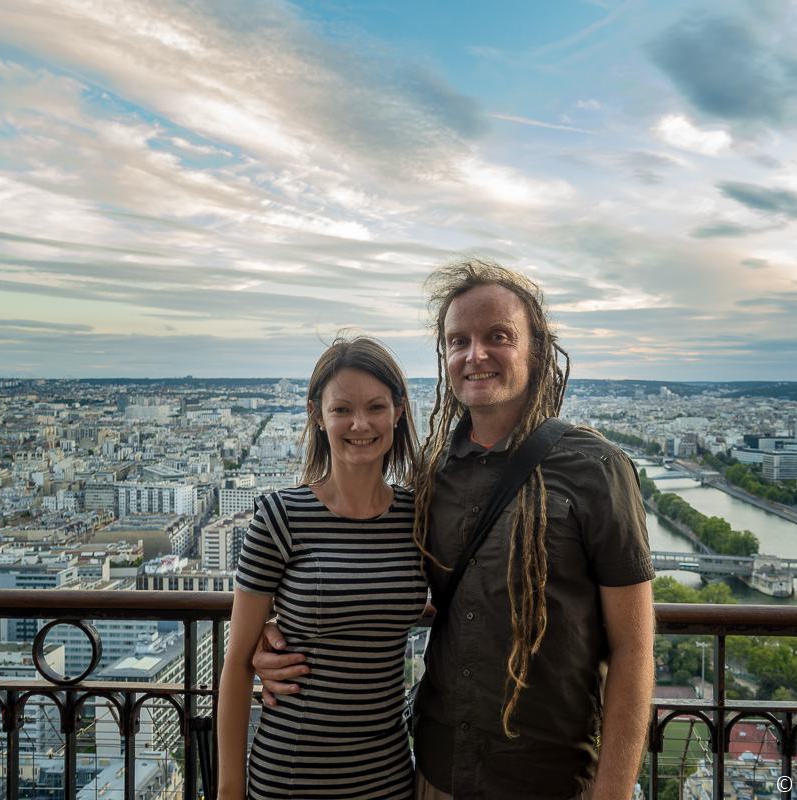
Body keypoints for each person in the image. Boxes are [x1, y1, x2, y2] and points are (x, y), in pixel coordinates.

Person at [256, 260, 655, 800]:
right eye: (458, 340)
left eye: (499, 337)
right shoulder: (432, 476)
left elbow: (633, 648)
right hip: (437, 767)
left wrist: (614, 793)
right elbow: (375, 570)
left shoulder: (596, 469)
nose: (476, 354)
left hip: (548, 775)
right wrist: (271, 629)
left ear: (535, 349)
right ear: (444, 357)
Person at [217, 336, 427, 800]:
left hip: (388, 776)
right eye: (342, 410)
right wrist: (229, 790)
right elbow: (236, 664)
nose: (359, 424)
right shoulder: (280, 517)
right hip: (291, 776)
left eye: (375, 407)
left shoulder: (418, 518)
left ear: (399, 410)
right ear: (317, 414)